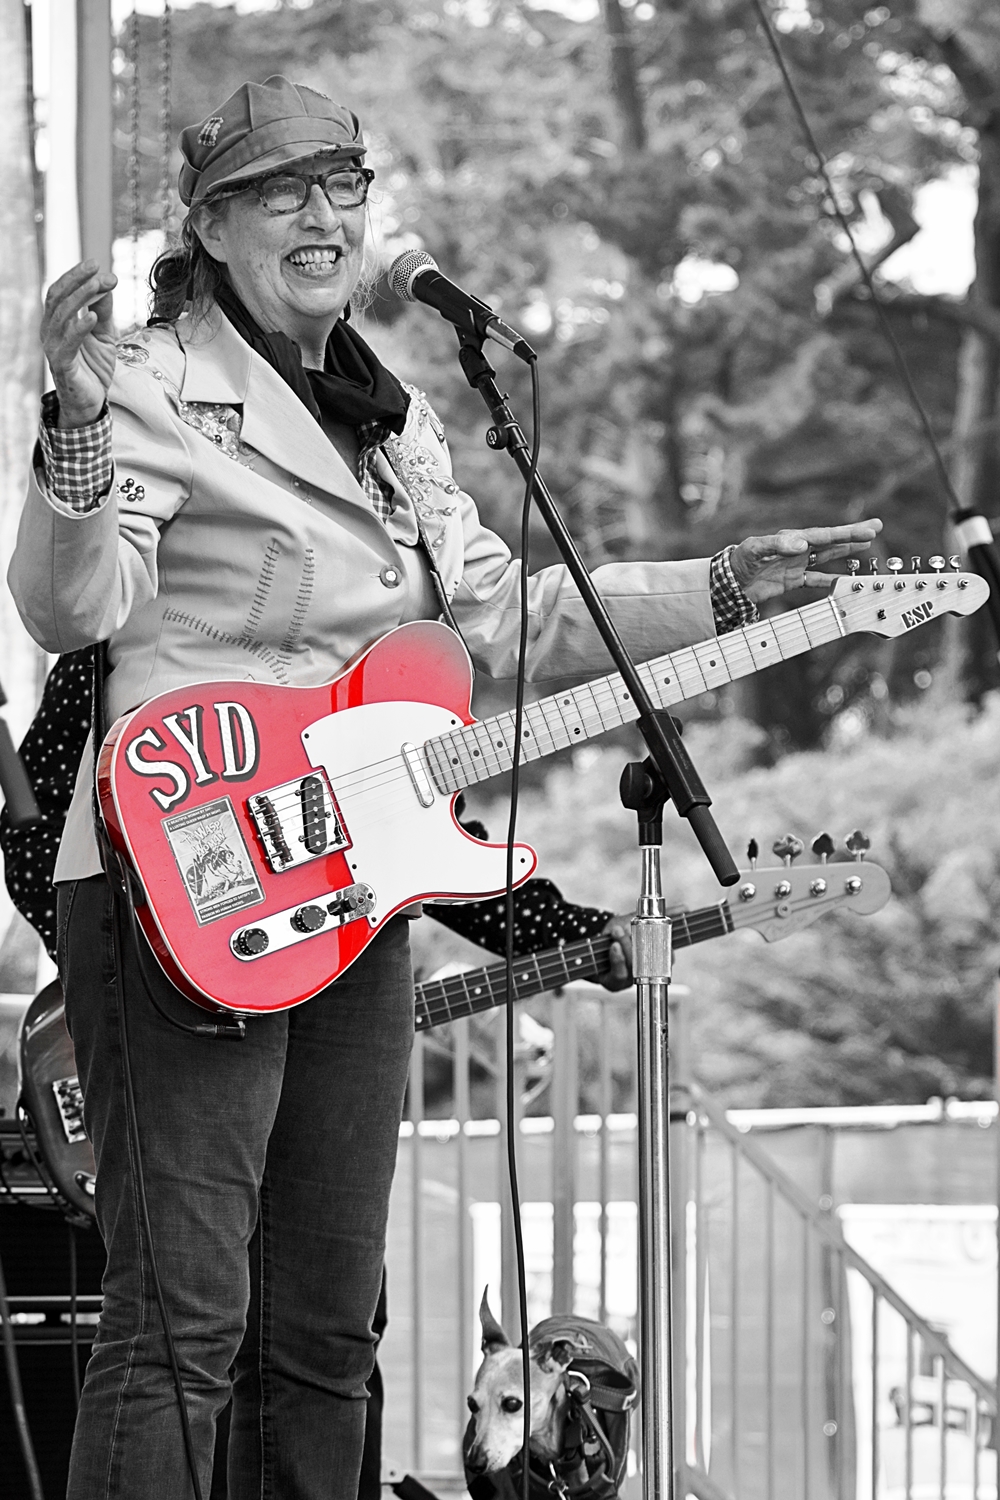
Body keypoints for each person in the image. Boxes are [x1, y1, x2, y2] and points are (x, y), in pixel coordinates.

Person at [8, 74, 881, 1500]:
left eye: (341, 184)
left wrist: (723, 589)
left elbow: (503, 620)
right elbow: (73, 608)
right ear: (210, 226)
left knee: (325, 1331)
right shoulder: (150, 377)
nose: (321, 213)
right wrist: (81, 424)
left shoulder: (391, 417)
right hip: (186, 879)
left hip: (350, 893)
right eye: (278, 190)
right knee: (182, 1327)